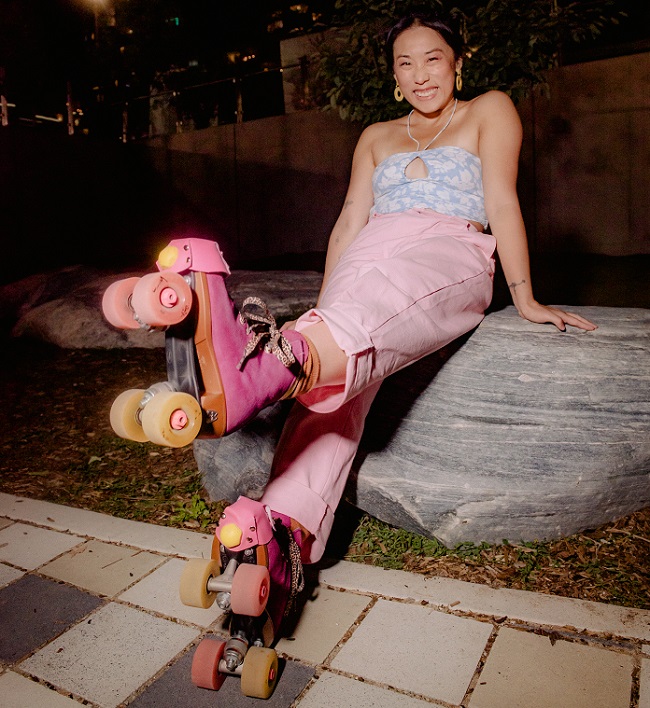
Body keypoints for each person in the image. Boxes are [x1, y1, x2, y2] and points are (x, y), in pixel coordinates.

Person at [140, 12, 598, 643]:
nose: (421, 74)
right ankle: (282, 538)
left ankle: (266, 367)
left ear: (458, 62)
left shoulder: (490, 109)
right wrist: (321, 318)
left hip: (447, 251)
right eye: (406, 64)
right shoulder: (377, 136)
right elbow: (350, 221)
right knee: (335, 402)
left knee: (362, 322)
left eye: (433, 59)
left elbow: (501, 201)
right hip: (367, 258)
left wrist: (524, 297)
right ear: (393, 78)